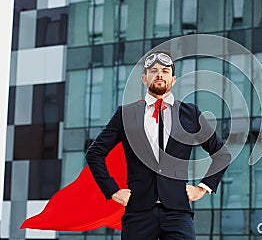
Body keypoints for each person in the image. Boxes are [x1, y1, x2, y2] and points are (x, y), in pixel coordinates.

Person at [85, 51, 231, 240]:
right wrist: (112, 190)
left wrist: (202, 188)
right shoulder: (126, 114)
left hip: (178, 212)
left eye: (165, 71)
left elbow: (222, 154)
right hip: (138, 211)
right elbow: (95, 153)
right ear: (145, 79)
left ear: (173, 79)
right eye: (153, 71)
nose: (159, 74)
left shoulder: (190, 113)